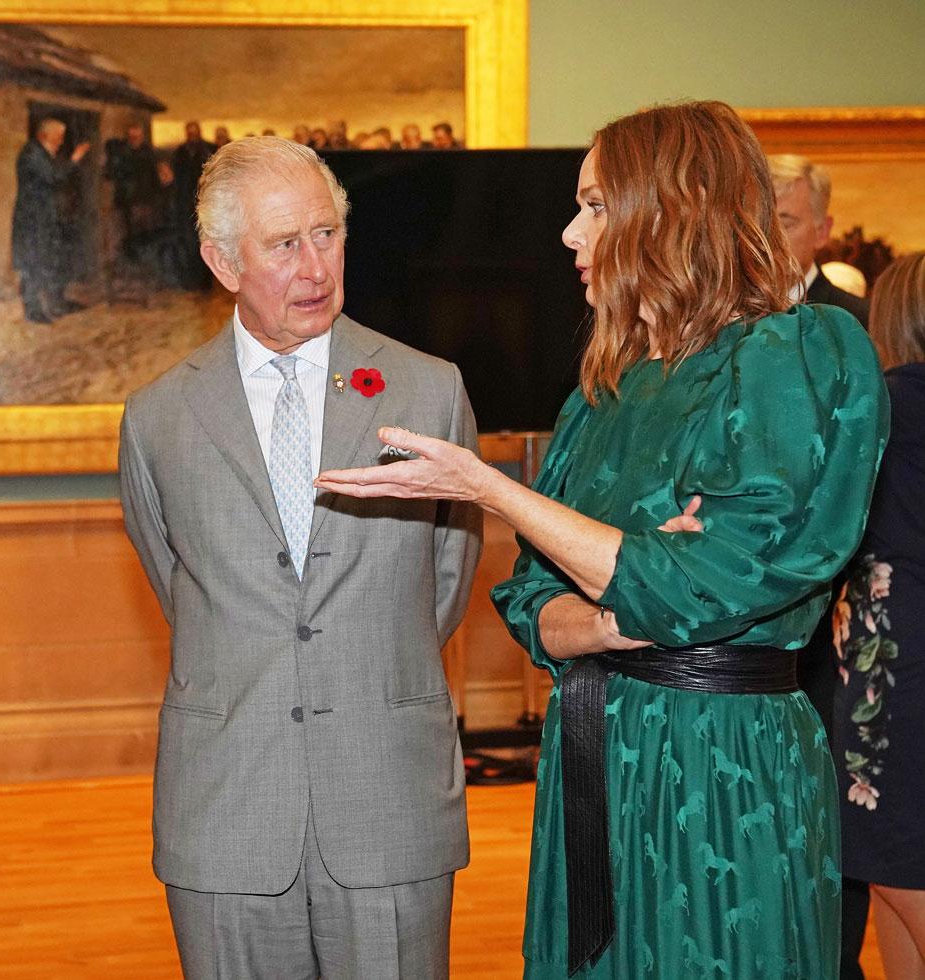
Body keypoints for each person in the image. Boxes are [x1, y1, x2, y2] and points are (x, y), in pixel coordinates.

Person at [316, 101, 889, 977]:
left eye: (593, 205)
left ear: (673, 209)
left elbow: (716, 583)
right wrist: (615, 614)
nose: (568, 232)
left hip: (724, 765)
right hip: (594, 753)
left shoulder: (798, 351)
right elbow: (530, 598)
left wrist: (489, 488)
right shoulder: (602, 392)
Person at [119, 136, 482, 978]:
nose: (315, 266)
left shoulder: (428, 390)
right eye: (284, 245)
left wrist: (361, 662)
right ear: (221, 260)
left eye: (327, 234)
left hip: (387, 794)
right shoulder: (160, 416)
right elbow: (181, 585)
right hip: (227, 805)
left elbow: (447, 579)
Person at [770, 151, 876, 978]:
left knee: (832, 834)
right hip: (726, 648)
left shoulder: (853, 328)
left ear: (824, 231)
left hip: (826, 640)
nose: (770, 235)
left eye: (787, 219)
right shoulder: (709, 325)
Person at [833, 251, 925, 980]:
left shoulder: (891, 404)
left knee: (898, 876)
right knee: (896, 885)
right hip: (898, 658)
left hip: (899, 669)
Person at [769, 153, 871, 326]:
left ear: (822, 231)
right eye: (757, 222)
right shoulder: (724, 318)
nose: (766, 237)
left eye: (784, 226)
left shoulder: (857, 321)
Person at [11, 117, 91, 322]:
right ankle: (33, 311)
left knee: (53, 259)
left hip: (46, 218)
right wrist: (74, 160)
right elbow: (53, 177)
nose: (61, 142)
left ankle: (58, 302)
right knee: (33, 263)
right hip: (33, 221)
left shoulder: (43, 154)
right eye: (58, 137)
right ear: (44, 136)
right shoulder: (32, 154)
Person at [169, 121, 217, 290]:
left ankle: (205, 283)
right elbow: (174, 178)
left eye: (194, 133)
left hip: (205, 202)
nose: (192, 136)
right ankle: (190, 282)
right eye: (189, 133)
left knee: (205, 241)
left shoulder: (209, 149)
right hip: (185, 203)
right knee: (188, 243)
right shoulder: (180, 152)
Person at [103, 123, 161, 260]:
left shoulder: (149, 153)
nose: (134, 139)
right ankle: (130, 259)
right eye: (132, 136)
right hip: (124, 199)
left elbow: (154, 177)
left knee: (143, 231)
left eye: (137, 136)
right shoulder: (120, 152)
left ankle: (141, 258)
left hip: (143, 198)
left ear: (142, 137)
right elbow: (111, 174)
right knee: (125, 231)